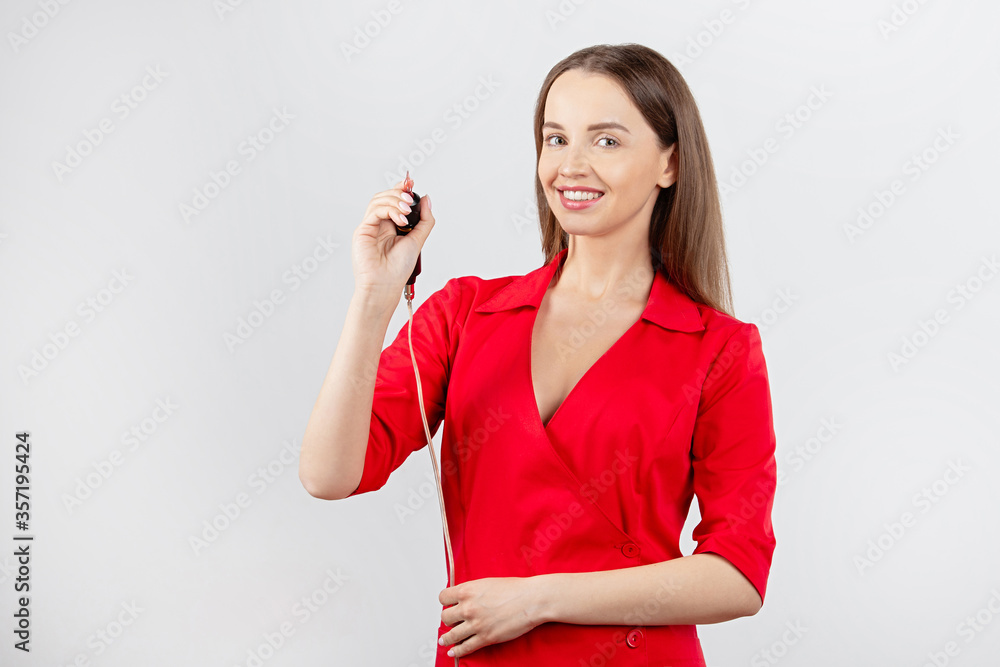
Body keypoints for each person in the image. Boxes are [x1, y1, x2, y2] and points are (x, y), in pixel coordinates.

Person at [299, 43, 777, 666]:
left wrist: (539, 599)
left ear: (670, 163)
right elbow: (329, 475)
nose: (570, 166)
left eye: (605, 141)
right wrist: (373, 295)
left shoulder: (719, 350)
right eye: (555, 139)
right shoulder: (466, 314)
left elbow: (738, 575)